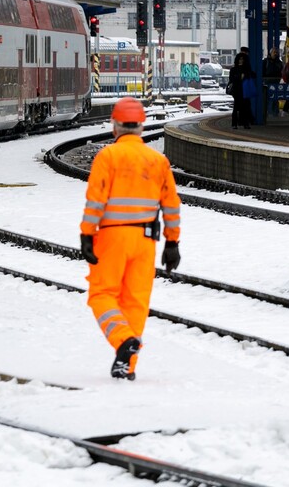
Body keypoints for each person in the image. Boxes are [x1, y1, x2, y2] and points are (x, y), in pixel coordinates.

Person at [80, 97, 181, 381]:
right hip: (146, 241)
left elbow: (95, 201)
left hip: (113, 237)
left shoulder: (108, 157)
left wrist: (87, 233)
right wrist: (172, 243)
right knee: (136, 302)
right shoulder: (157, 160)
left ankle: (123, 340)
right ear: (140, 126)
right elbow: (171, 205)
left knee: (102, 295)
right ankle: (128, 365)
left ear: (115, 125)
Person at [228, 52, 255, 129]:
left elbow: (254, 75)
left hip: (244, 90)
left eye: (242, 59)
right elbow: (231, 79)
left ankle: (244, 123)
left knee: (245, 107)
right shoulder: (234, 69)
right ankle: (235, 124)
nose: (241, 61)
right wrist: (240, 77)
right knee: (236, 107)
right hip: (237, 90)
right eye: (240, 59)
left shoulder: (247, 69)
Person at [263, 48, 284, 116]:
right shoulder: (266, 61)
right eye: (274, 52)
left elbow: (282, 71)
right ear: (270, 53)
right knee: (270, 99)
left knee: (275, 99)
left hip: (276, 83)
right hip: (267, 83)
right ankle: (270, 113)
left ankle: (275, 113)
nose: (275, 54)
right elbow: (262, 71)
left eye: (276, 52)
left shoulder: (279, 62)